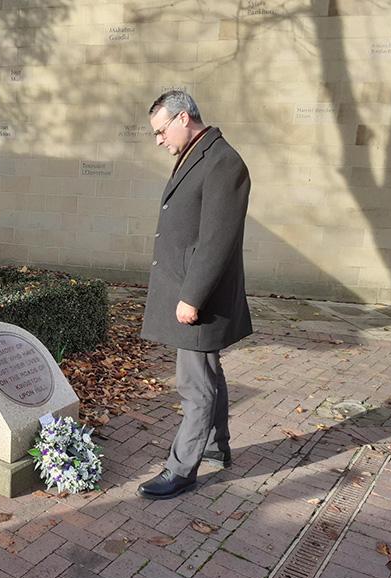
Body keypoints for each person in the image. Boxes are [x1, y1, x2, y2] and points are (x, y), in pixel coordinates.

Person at [137, 89, 252, 500]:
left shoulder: (224, 162)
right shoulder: (196, 155)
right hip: (189, 292)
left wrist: (193, 297)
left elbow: (217, 240)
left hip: (199, 299)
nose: (159, 140)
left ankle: (181, 469)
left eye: (160, 130)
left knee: (194, 385)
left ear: (184, 118)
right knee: (207, 376)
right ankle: (217, 448)